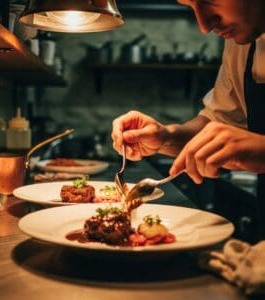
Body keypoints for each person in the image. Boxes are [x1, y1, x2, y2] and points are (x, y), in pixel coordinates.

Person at [111, 0, 265, 240]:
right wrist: (166, 138)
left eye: (208, 1)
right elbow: (220, 124)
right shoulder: (242, 46)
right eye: (191, 7)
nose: (203, 25)